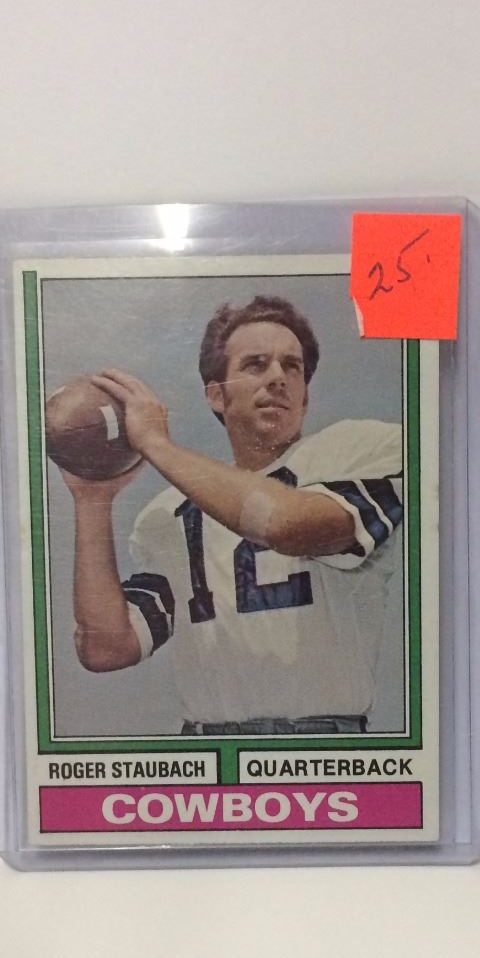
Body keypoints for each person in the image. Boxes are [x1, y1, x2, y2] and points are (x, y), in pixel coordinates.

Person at [58, 295, 405, 734]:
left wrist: (158, 445)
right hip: (207, 750)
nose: (278, 377)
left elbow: (289, 526)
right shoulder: (168, 513)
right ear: (217, 395)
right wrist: (92, 500)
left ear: (304, 397)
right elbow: (106, 648)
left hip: (321, 747)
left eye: (292, 367)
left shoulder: (363, 449)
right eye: (256, 365)